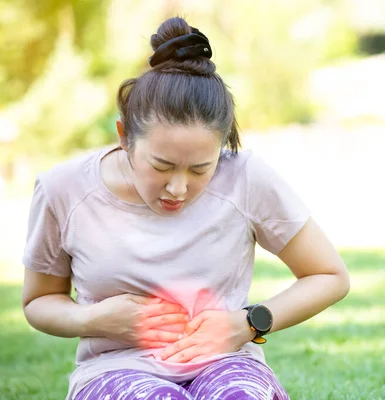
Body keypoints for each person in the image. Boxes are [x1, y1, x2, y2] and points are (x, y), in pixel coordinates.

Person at [21, 17, 350, 400]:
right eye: (161, 166)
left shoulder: (246, 178)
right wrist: (94, 319)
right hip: (115, 368)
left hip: (227, 363)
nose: (178, 188)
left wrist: (246, 324)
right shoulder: (64, 189)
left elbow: (329, 275)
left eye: (200, 169)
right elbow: (38, 301)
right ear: (125, 136)